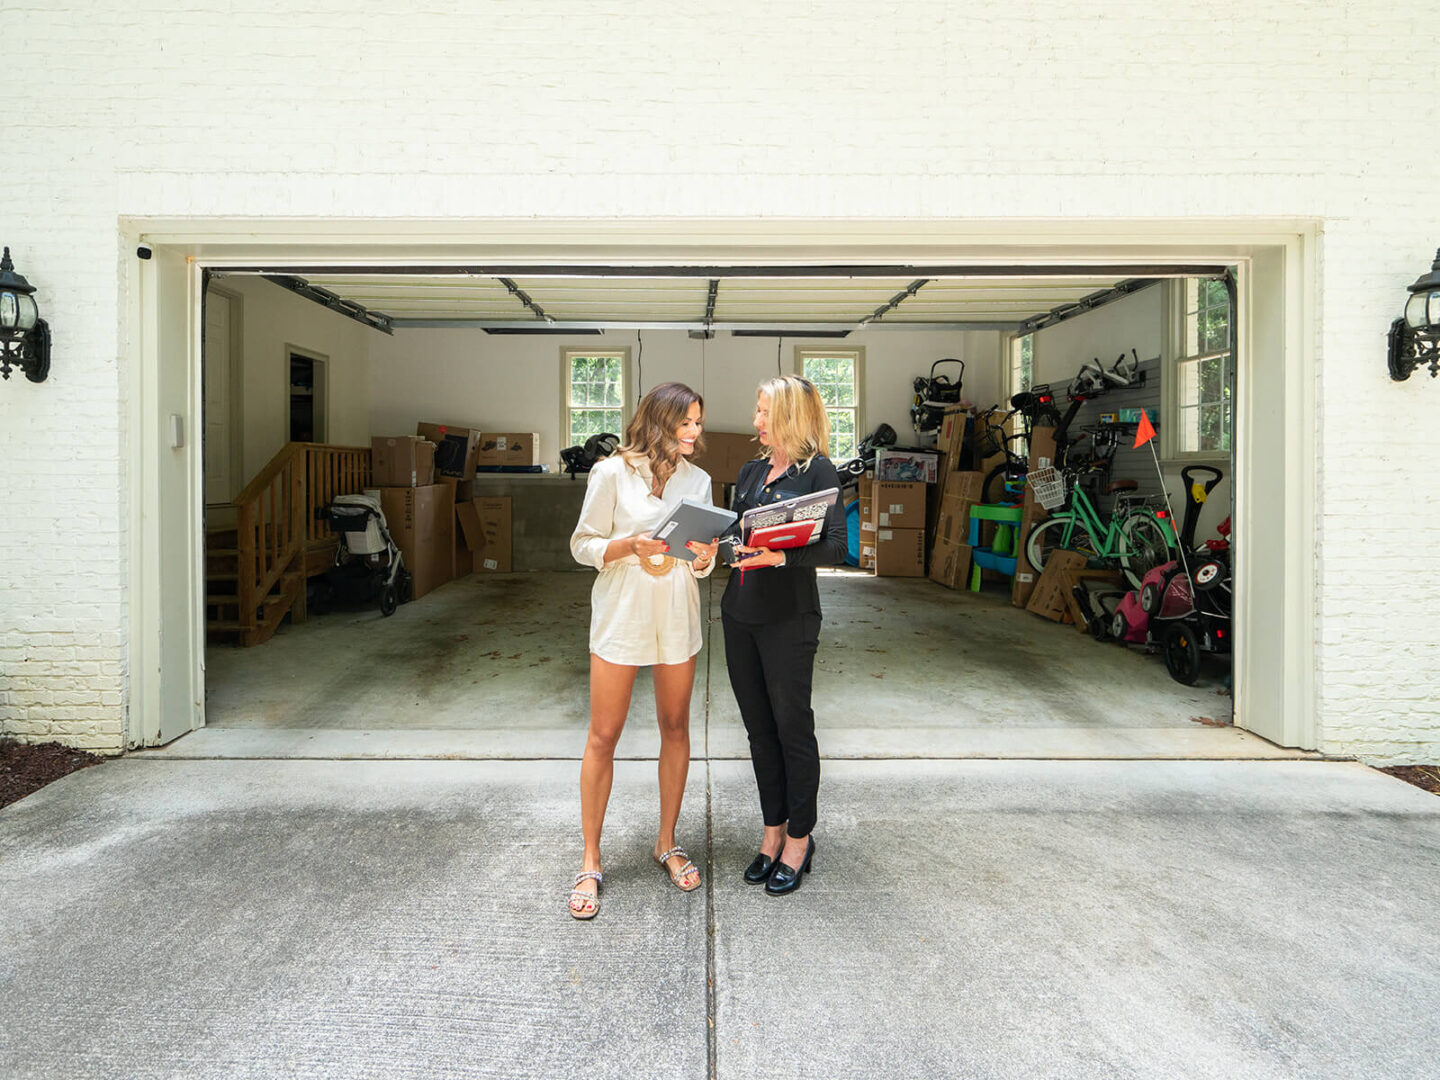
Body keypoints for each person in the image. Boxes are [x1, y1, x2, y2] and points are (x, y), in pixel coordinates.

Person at [566, 382, 721, 920]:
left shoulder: (696, 479)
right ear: (660, 421)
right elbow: (582, 543)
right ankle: (590, 857)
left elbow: (703, 562)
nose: (696, 434)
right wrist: (628, 545)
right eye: (688, 424)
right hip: (622, 610)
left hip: (677, 610)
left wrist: (704, 557)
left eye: (699, 424)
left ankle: (667, 841)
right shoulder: (611, 473)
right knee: (603, 735)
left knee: (675, 726)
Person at [721, 375, 848, 896]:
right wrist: (719, 546)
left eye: (762, 411)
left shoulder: (818, 471)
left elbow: (837, 547)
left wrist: (783, 554)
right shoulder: (751, 470)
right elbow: (735, 531)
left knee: (792, 728)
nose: (755, 421)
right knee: (758, 730)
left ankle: (800, 838)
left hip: (789, 617)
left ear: (789, 415)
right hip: (740, 612)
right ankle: (771, 832)